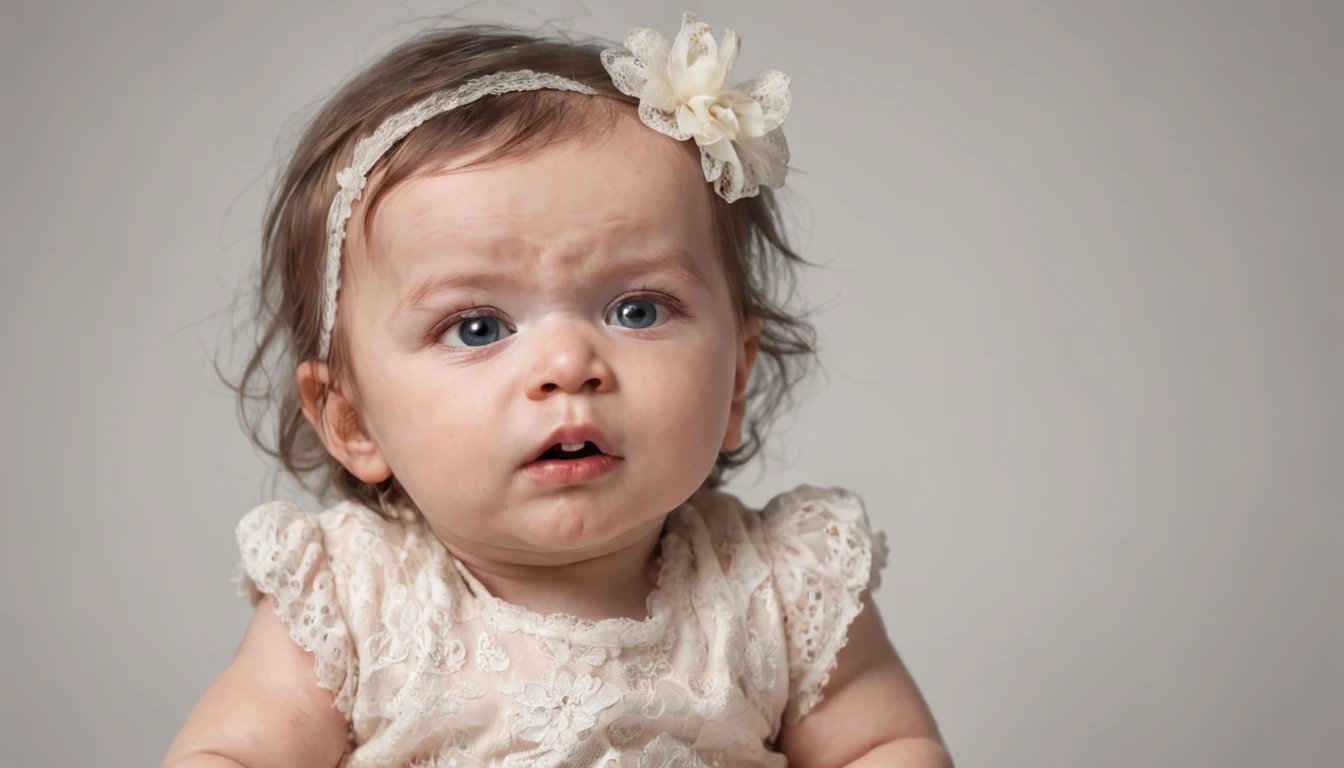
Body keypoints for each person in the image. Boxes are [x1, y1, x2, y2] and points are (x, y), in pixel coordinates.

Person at [163, 11, 951, 768]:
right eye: (477, 328)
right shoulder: (352, 602)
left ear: (737, 377)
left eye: (636, 310)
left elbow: (883, 748)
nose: (569, 365)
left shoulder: (778, 589)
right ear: (350, 419)